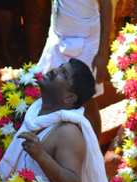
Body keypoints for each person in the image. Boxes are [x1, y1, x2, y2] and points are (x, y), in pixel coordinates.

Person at [34, 0, 113, 133]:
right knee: (49, 89)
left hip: (86, 42)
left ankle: (95, 151)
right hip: (57, 36)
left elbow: (106, 6)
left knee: (86, 100)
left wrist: (103, 52)